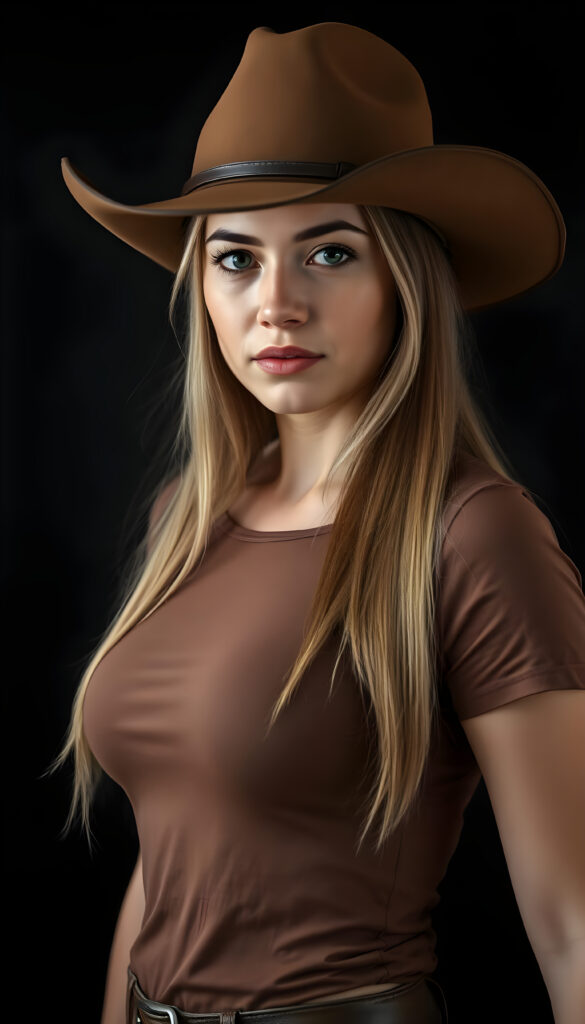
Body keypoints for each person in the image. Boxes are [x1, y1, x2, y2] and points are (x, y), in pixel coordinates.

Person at [53, 21, 585, 1024]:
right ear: (200, 286)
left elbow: (572, 920)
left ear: (405, 281)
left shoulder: (473, 534)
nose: (277, 304)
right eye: (237, 259)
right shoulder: (188, 517)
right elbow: (171, 858)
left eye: (330, 252)